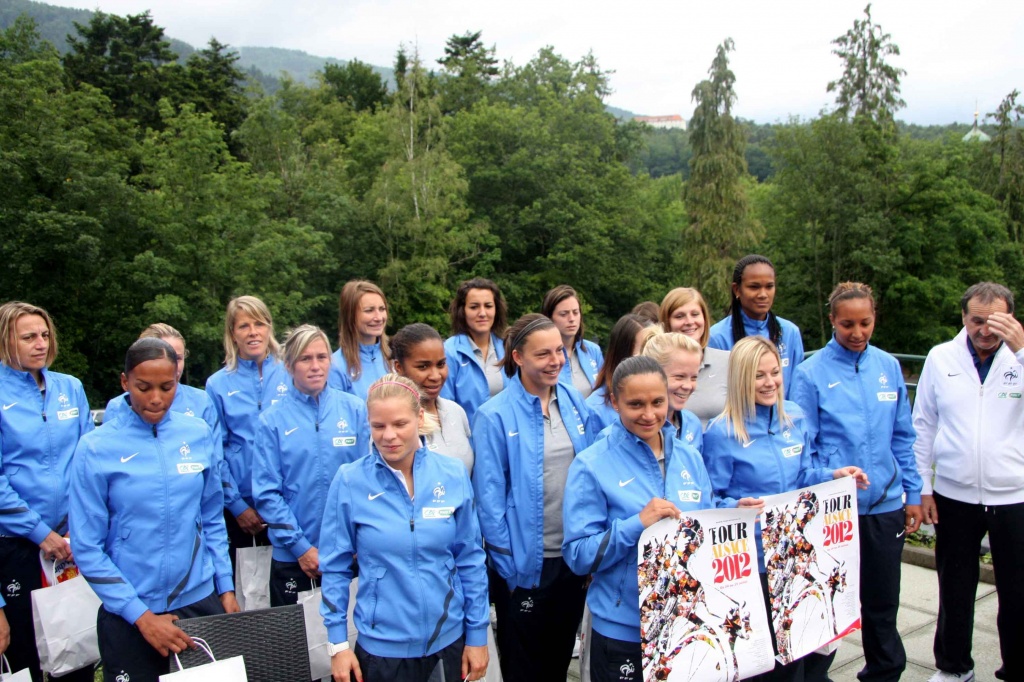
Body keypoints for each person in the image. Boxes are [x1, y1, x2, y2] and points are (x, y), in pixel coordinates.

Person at [70, 338, 238, 682]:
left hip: (198, 601)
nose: (157, 398)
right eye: (143, 387)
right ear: (124, 382)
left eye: (167, 386)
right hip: (130, 612)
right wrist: (141, 616)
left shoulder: (198, 433)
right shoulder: (96, 448)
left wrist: (225, 586)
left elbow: (210, 517)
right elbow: (87, 547)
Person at [704, 336, 866, 682]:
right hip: (751, 563)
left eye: (775, 373)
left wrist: (834, 475)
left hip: (793, 554)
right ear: (740, 379)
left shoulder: (794, 416)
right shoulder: (721, 432)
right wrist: (735, 506)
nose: (769, 383)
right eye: (758, 376)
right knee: (757, 662)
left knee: (796, 653)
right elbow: (709, 501)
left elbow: (804, 475)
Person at [790, 282, 923, 682]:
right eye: (847, 323)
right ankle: (814, 676)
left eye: (865, 323)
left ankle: (884, 672)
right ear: (832, 320)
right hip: (834, 509)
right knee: (826, 601)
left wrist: (912, 492)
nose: (857, 332)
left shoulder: (887, 367)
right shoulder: (810, 373)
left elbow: (903, 435)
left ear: (874, 318)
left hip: (884, 504)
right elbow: (804, 445)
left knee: (882, 601)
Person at [319, 374, 489, 682]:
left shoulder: (451, 474)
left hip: (447, 642)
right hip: (383, 650)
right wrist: (338, 645)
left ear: (419, 417)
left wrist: (477, 634)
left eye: (400, 424)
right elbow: (334, 567)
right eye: (378, 426)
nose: (389, 436)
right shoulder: (350, 481)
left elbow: (471, 559)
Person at [563, 356, 713, 682]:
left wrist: (735, 512)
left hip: (684, 623)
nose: (649, 414)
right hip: (623, 630)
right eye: (636, 404)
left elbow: (705, 522)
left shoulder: (689, 456)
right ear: (615, 401)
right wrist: (636, 524)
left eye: (658, 402)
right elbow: (578, 556)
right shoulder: (591, 464)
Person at [473, 313, 595, 682]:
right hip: (526, 565)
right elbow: (490, 501)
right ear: (518, 357)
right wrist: (510, 568)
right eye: (543, 354)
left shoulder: (573, 400)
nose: (556, 360)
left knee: (559, 659)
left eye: (559, 350)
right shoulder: (493, 416)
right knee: (523, 666)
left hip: (571, 559)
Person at [912, 282, 1024, 682]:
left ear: (1010, 318)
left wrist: (1023, 352)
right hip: (954, 493)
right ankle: (954, 668)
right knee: (955, 587)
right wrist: (923, 485)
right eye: (976, 320)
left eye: (995, 321)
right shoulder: (941, 357)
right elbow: (923, 425)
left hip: (1014, 495)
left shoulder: (1020, 359)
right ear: (964, 317)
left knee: (1018, 591)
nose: (985, 330)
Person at [0, 301, 94, 682]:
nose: (40, 343)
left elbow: (90, 460)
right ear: (6, 341)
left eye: (44, 335)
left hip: (71, 540)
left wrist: (78, 524)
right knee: (27, 652)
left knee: (78, 647)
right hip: (18, 544)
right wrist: (41, 533)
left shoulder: (69, 388)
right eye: (28, 337)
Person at [252, 325, 369, 607]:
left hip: (349, 553)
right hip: (293, 557)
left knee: (349, 643)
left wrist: (356, 538)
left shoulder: (354, 409)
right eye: (306, 359)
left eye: (322, 357)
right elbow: (267, 494)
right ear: (290, 365)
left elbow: (368, 478)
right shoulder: (272, 420)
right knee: (297, 649)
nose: (316, 366)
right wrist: (301, 548)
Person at [205, 296, 289, 564]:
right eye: (244, 326)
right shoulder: (217, 385)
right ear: (232, 333)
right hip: (242, 510)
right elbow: (215, 452)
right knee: (251, 594)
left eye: (259, 323)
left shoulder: (290, 372)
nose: (253, 332)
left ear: (269, 327)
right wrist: (238, 506)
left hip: (288, 502)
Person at [707, 255, 804, 388]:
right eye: (754, 287)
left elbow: (797, 387)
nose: (763, 294)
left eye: (769, 286)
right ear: (737, 289)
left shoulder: (789, 332)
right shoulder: (718, 337)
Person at [104, 323, 219, 432]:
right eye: (144, 388)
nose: (173, 366)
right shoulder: (117, 406)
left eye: (177, 358)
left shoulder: (201, 400)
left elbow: (214, 450)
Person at [392, 323, 475, 475]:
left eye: (441, 364)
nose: (436, 376)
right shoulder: (391, 424)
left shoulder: (456, 412)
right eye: (423, 367)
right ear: (399, 367)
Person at [441, 278, 509, 426]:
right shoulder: (449, 352)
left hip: (505, 439)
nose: (482, 313)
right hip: (467, 442)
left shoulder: (507, 348)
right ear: (462, 311)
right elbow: (445, 408)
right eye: (474, 307)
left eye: (488, 306)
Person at [659, 287, 729, 425]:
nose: (689, 321)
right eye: (679, 316)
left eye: (695, 314)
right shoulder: (657, 366)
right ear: (667, 323)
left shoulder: (729, 361)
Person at [640, 331, 704, 453]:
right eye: (679, 376)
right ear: (652, 373)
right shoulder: (633, 427)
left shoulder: (692, 424)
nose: (688, 386)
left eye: (694, 377)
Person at [330, 281, 391, 400]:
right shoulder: (335, 366)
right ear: (350, 315)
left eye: (382, 309)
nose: (379, 317)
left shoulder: (396, 358)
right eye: (369, 310)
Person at [586, 314, 648, 432]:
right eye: (643, 349)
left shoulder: (660, 401)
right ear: (623, 353)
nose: (650, 356)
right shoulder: (595, 409)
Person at [542, 285, 603, 398]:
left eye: (575, 312)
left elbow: (603, 393)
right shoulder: (541, 355)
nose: (571, 319)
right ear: (549, 318)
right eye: (564, 314)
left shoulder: (593, 351)